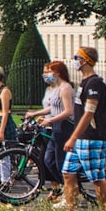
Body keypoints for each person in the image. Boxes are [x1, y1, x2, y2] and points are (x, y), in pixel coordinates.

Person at [62, 46, 106, 211]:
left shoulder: (94, 83)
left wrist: (73, 137)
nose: (75, 61)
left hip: (91, 137)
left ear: (85, 60)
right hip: (80, 137)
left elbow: (89, 113)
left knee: (96, 178)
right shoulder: (84, 82)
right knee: (68, 173)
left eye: (77, 57)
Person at [26, 60, 74, 202]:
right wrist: (35, 114)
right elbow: (52, 108)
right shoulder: (56, 88)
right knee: (48, 160)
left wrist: (50, 120)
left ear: (57, 72)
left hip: (64, 126)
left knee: (60, 162)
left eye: (49, 71)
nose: (47, 75)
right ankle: (62, 188)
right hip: (56, 128)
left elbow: (68, 111)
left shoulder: (65, 88)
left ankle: (69, 192)